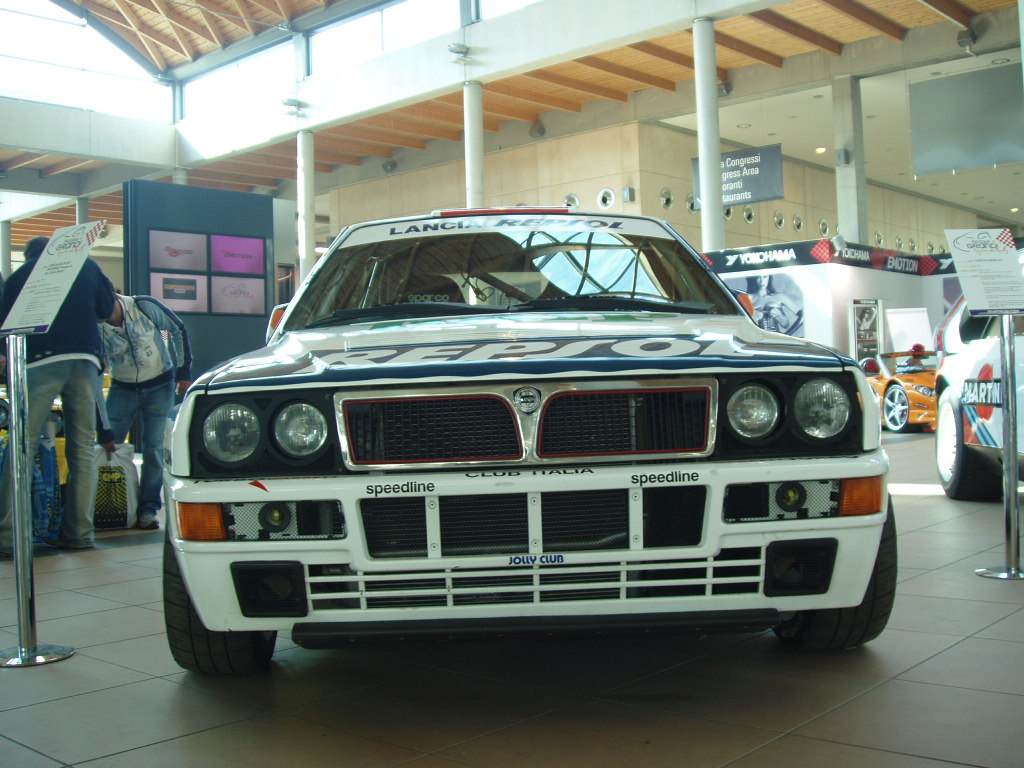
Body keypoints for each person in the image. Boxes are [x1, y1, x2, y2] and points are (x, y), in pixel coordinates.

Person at [1, 236, 115, 556]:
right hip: (85, 360)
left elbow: (6, 325)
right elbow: (106, 310)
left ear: (28, 254)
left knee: (21, 447)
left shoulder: (21, 275)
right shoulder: (87, 265)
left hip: (40, 361)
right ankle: (79, 534)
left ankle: (9, 537)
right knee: (81, 450)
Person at [99, 292, 192, 530]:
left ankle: (148, 509)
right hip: (122, 387)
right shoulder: (96, 323)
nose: (104, 319)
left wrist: (183, 371)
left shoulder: (143, 306)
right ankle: (113, 506)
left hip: (159, 383)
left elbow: (178, 328)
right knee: (110, 446)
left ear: (115, 298)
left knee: (153, 448)